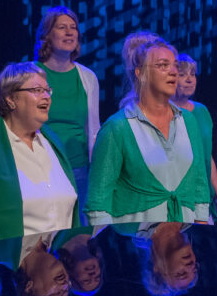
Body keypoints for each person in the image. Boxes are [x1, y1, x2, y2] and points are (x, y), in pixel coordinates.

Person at [0, 62, 79, 246]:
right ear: (11, 99)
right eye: (36, 90)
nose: (46, 97)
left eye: (47, 90)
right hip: (15, 269)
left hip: (60, 265)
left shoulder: (53, 145)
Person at [85, 39, 210, 225]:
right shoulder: (117, 127)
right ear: (141, 73)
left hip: (183, 240)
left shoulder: (189, 121)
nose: (174, 71)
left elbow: (200, 186)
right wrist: (111, 248)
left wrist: (200, 236)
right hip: (136, 244)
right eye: (163, 65)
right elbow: (98, 203)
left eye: (175, 65)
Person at [34, 6, 100, 222]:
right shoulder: (30, 74)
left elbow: (93, 129)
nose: (70, 32)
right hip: (41, 172)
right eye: (62, 27)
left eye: (73, 28)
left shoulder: (87, 77)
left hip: (78, 171)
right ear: (47, 35)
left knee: (77, 238)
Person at [173, 53, 217, 222]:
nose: (189, 79)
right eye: (182, 75)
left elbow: (206, 154)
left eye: (193, 74)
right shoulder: (163, 112)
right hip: (177, 198)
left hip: (203, 197)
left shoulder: (202, 111)